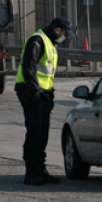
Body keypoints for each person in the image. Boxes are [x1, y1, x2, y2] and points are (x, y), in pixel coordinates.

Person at [14, 17, 73, 186]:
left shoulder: (49, 43)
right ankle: (31, 171)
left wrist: (49, 94)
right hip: (31, 92)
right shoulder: (37, 41)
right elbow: (29, 69)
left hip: (43, 93)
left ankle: (40, 168)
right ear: (57, 30)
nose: (65, 37)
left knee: (43, 132)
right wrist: (35, 92)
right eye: (64, 33)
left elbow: (46, 75)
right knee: (35, 131)